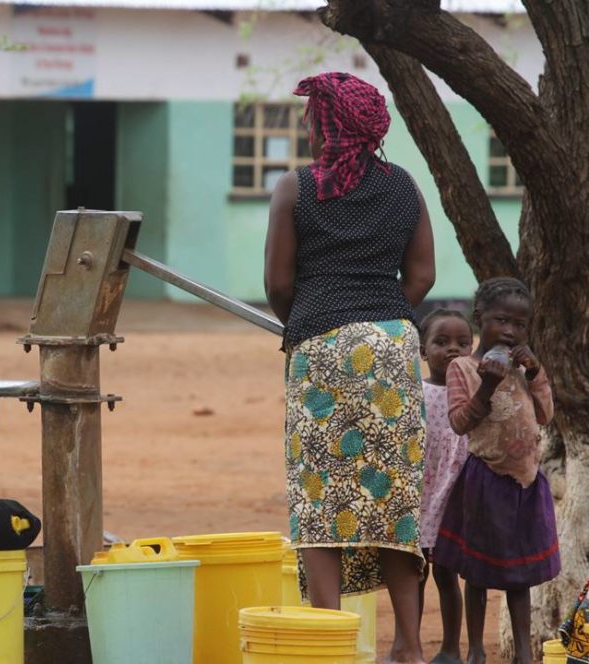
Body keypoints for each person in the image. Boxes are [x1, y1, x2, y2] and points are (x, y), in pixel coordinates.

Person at [264, 71, 435, 664]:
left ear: (328, 125)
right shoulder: (405, 188)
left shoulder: (297, 189)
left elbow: (279, 283)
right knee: (393, 499)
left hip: (322, 350)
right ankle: (409, 646)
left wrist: (315, 317)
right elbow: (422, 277)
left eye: (313, 118)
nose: (309, 127)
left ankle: (329, 643)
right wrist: (382, 317)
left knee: (320, 496)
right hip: (393, 346)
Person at [433, 277, 559, 664]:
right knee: (477, 571)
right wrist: (487, 386)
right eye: (500, 320)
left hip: (525, 483)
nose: (509, 330)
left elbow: (545, 414)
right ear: (479, 319)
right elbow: (459, 422)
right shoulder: (463, 368)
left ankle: (524, 654)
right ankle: (474, 652)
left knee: (518, 576)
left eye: (519, 325)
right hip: (486, 481)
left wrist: (535, 371)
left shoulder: (524, 369)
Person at [417, 309, 474, 664]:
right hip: (421, 496)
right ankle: (408, 644)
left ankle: (451, 647)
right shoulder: (414, 392)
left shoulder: (476, 394)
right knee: (415, 573)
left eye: (463, 342)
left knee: (447, 573)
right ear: (422, 350)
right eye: (441, 342)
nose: (452, 349)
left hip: (455, 495)